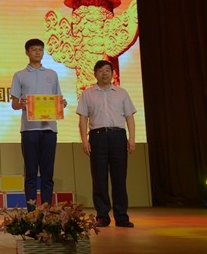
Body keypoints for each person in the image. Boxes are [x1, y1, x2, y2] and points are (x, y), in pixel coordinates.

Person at [76, 60, 137, 228]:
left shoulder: (121, 93)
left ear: (113, 73)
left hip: (118, 136)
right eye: (101, 70)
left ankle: (121, 217)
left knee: (119, 178)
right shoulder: (88, 94)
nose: (105, 73)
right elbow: (83, 119)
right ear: (95, 74)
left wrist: (132, 139)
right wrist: (84, 141)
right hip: (97, 137)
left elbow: (129, 118)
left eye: (108, 70)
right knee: (99, 179)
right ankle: (102, 216)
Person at [10, 38, 66, 211]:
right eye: (34, 49)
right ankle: (32, 212)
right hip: (29, 130)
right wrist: (22, 104)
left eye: (40, 50)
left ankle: (47, 211)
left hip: (49, 129)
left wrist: (61, 104)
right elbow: (14, 104)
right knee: (31, 174)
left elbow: (58, 98)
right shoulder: (19, 75)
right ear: (27, 52)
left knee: (48, 174)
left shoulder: (52, 74)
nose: (37, 52)